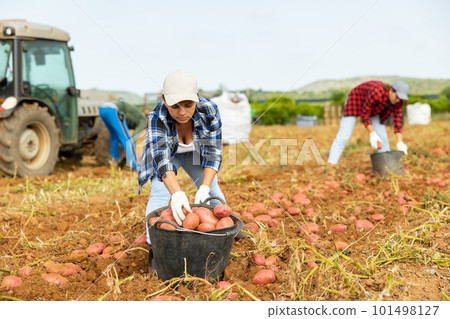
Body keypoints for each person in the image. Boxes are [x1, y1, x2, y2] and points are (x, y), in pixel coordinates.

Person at [138, 70, 226, 243]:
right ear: (164, 100)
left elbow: (213, 152)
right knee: (159, 193)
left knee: (213, 191)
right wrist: (177, 193)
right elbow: (161, 159)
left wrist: (205, 186)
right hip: (170, 156)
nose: (182, 112)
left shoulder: (209, 110)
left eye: (188, 105)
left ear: (196, 99)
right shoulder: (157, 117)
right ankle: (154, 245)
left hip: (196, 154)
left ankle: (225, 232)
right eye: (175, 106)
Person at [328, 80, 409, 165]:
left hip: (372, 109)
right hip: (355, 102)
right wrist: (372, 133)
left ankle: (386, 167)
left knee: (383, 138)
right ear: (391, 90)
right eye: (397, 97)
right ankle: (331, 165)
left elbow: (398, 121)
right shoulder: (377, 92)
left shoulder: (397, 102)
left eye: (401, 98)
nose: (398, 100)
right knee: (344, 136)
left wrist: (400, 142)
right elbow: (365, 114)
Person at [99, 99, 146, 170]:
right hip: (113, 110)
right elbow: (133, 138)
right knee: (128, 140)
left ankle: (113, 161)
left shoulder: (135, 116)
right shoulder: (143, 120)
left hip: (103, 109)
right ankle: (136, 165)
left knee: (114, 137)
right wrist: (127, 152)